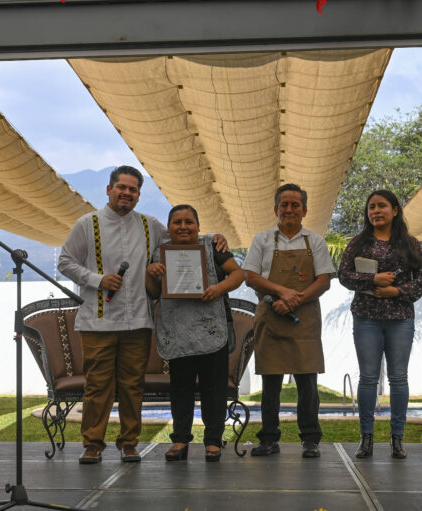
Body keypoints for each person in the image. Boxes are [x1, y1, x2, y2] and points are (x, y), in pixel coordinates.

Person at [58, 166, 227, 464]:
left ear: (138, 195)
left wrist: (216, 238)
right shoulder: (87, 223)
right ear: (109, 190)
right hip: (99, 320)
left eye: (133, 189)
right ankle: (93, 443)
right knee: (98, 384)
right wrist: (98, 279)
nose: (126, 193)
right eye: (121, 187)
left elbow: (184, 236)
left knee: (132, 384)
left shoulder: (150, 225)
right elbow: (65, 262)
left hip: (138, 320)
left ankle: (129, 442)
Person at [145, 205, 244, 462]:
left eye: (189, 221)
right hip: (177, 332)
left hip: (211, 331)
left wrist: (219, 288)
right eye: (177, 222)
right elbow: (154, 293)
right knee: (181, 389)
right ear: (169, 228)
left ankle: (212, 441)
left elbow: (238, 273)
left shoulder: (213, 247)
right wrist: (150, 273)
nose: (183, 226)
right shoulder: (159, 253)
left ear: (198, 226)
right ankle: (180, 440)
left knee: (214, 389)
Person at [242, 183, 334, 458]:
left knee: (308, 383)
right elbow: (251, 276)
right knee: (271, 383)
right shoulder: (262, 240)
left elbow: (324, 280)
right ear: (276, 209)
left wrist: (296, 299)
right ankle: (269, 438)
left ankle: (310, 439)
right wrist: (281, 293)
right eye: (285, 204)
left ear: (304, 210)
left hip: (304, 319)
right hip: (270, 317)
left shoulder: (315, 241)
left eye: (295, 205)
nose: (290, 209)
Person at [337, 190, 422, 459]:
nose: (375, 211)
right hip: (366, 318)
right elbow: (344, 275)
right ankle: (366, 439)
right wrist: (373, 281)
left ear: (395, 210)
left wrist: (397, 292)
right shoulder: (358, 243)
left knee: (398, 378)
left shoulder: (410, 243)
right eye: (371, 207)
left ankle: (397, 439)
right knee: (368, 378)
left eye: (381, 206)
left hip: (400, 320)